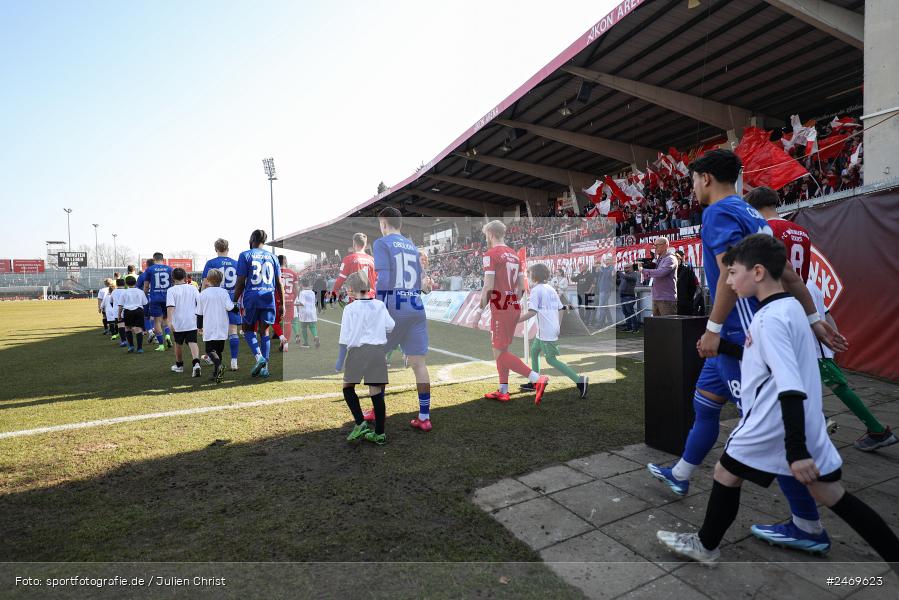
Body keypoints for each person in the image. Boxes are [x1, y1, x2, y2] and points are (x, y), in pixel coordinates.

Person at [647, 149, 849, 555]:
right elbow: (787, 273)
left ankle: (808, 525)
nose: (692, 188)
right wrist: (814, 319)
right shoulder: (755, 215)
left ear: (705, 178)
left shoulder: (717, 213)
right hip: (743, 335)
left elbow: (726, 274)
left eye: (693, 180)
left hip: (742, 341)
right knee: (704, 404)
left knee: (767, 431)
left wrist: (713, 329)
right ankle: (682, 472)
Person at [657, 234, 899, 566]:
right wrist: (723, 348)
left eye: (732, 272)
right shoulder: (789, 308)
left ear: (757, 272)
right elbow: (766, 359)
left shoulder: (769, 318)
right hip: (797, 422)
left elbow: (789, 385)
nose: (727, 281)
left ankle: (705, 545)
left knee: (726, 472)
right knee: (832, 495)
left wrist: (796, 450)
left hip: (772, 424)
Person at [747, 186, 895, 450]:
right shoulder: (799, 230)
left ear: (754, 207)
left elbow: (778, 272)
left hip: (786, 303)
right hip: (803, 294)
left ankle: (873, 429)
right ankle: (810, 421)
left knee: (827, 377)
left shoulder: (766, 230)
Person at [807, 279, 897, 451]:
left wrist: (832, 342)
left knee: (838, 386)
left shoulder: (798, 284)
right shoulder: (808, 283)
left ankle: (878, 432)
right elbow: (826, 314)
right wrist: (835, 339)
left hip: (814, 349)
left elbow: (821, 316)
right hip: (814, 348)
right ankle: (820, 421)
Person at [472, 220, 548, 404]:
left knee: (499, 352)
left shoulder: (490, 254)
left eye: (486, 236)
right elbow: (522, 287)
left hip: (501, 309)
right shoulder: (514, 255)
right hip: (513, 305)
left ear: (490, 234)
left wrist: (479, 310)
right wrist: (512, 301)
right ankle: (503, 390)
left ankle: (536, 379)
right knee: (502, 348)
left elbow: (489, 286)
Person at [373, 207, 433, 431]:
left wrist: (378, 306)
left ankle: (377, 410)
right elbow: (420, 282)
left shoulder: (382, 243)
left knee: (377, 357)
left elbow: (384, 277)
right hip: (415, 305)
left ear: (384, 223)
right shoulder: (411, 246)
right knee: (419, 364)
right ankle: (424, 416)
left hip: (393, 305)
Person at [335, 271, 394, 446]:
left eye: (348, 289)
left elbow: (344, 338)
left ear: (352, 290)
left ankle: (360, 423)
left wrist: (340, 361)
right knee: (376, 393)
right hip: (377, 352)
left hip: (358, 353)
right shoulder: (379, 305)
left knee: (347, 388)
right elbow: (391, 326)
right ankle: (380, 434)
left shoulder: (350, 308)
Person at [518, 263, 587, 398]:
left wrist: (515, 321)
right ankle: (535, 382)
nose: (529, 276)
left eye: (530, 274)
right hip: (548, 329)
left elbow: (532, 312)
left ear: (535, 275)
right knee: (535, 351)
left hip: (546, 331)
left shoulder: (536, 290)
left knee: (551, 359)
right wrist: (558, 326)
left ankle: (579, 381)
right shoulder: (550, 288)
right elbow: (561, 308)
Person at [233, 229, 284, 379]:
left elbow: (241, 282)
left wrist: (234, 300)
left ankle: (259, 357)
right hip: (269, 298)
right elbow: (279, 283)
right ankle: (265, 368)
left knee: (247, 329)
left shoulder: (245, 255)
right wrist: (283, 304)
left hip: (251, 298)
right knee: (265, 332)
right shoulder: (273, 257)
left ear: (251, 239)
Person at [201, 239, 241, 371]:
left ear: (215, 249)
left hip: (215, 301)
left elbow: (205, 284)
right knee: (233, 331)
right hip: (232, 300)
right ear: (228, 248)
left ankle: (213, 356)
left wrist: (202, 298)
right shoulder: (236, 263)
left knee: (213, 331)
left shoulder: (211, 263)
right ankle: (234, 361)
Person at [197, 268, 235, 383]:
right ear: (221, 280)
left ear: (208, 280)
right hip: (222, 325)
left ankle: (219, 366)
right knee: (218, 350)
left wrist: (199, 327)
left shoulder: (203, 294)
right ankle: (216, 373)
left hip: (209, 325)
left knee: (210, 350)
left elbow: (199, 313)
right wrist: (236, 307)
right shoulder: (224, 292)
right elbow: (230, 307)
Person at [166, 268, 201, 377]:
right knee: (193, 342)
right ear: (185, 277)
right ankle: (196, 364)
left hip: (178, 321)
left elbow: (171, 306)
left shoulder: (171, 290)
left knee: (178, 343)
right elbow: (199, 303)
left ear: (173, 277)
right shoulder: (193, 288)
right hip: (192, 320)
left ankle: (179, 366)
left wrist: (169, 320)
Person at [139, 252, 174, 352]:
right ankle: (167, 336)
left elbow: (146, 286)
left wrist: (144, 296)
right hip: (167, 298)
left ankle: (161, 345)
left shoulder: (150, 269)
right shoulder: (169, 269)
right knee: (166, 319)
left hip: (155, 298)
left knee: (157, 322)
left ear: (154, 259)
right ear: (163, 259)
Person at [330, 233, 376, 302]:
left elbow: (340, 279)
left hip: (356, 299)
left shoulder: (349, 259)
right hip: (371, 299)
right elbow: (377, 281)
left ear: (354, 244)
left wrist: (334, 293)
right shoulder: (372, 260)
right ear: (365, 245)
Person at [640, 238, 678, 316]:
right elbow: (654, 275)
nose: (655, 247)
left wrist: (643, 270)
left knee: (668, 326)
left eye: (657, 245)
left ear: (666, 246)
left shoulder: (670, 258)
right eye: (654, 245)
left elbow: (661, 273)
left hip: (666, 298)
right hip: (656, 297)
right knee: (657, 326)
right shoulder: (658, 259)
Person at [273, 255, 298, 352]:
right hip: (290, 300)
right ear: (286, 261)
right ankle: (285, 344)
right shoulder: (293, 273)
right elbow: (296, 289)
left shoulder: (275, 272)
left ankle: (282, 339)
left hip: (278, 300)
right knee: (288, 322)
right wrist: (292, 298)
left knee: (274, 322)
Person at [118, 275, 148, 353]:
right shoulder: (140, 291)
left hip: (128, 311)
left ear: (126, 283)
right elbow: (145, 303)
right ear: (135, 282)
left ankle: (131, 346)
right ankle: (139, 348)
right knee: (138, 329)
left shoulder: (124, 292)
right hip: (138, 310)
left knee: (127, 328)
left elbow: (120, 305)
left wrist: (119, 315)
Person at [294, 279, 320, 348]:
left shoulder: (302, 292)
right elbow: (314, 302)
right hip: (312, 311)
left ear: (302, 285)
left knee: (303, 327)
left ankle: (306, 343)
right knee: (313, 326)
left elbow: (302, 303)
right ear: (309, 284)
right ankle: (316, 336)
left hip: (304, 312)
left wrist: (293, 304)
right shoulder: (312, 292)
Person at [593, 255, 615, 328]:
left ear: (611, 261)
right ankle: (610, 322)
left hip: (606, 289)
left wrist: (601, 268)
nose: (606, 261)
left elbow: (607, 274)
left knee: (601, 307)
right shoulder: (603, 268)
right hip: (601, 289)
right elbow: (596, 275)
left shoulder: (612, 267)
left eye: (608, 259)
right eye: (606, 259)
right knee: (605, 306)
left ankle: (600, 323)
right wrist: (596, 268)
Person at [674, 249, 699, 316]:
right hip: (681, 298)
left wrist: (690, 297)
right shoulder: (675, 267)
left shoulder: (687, 266)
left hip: (684, 298)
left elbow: (692, 283)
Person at [617, 263, 641, 332]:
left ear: (631, 268)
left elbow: (628, 278)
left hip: (629, 296)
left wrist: (620, 273)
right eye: (625, 268)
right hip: (623, 296)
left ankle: (635, 328)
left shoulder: (634, 274)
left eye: (627, 267)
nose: (625, 269)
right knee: (625, 312)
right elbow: (619, 282)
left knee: (630, 312)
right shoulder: (624, 275)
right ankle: (629, 327)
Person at [110, 278, 128, 347]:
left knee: (120, 325)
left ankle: (123, 341)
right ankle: (128, 340)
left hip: (116, 311)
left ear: (117, 284)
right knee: (127, 326)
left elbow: (111, 302)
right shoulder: (126, 291)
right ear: (124, 284)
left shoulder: (114, 292)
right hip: (126, 310)